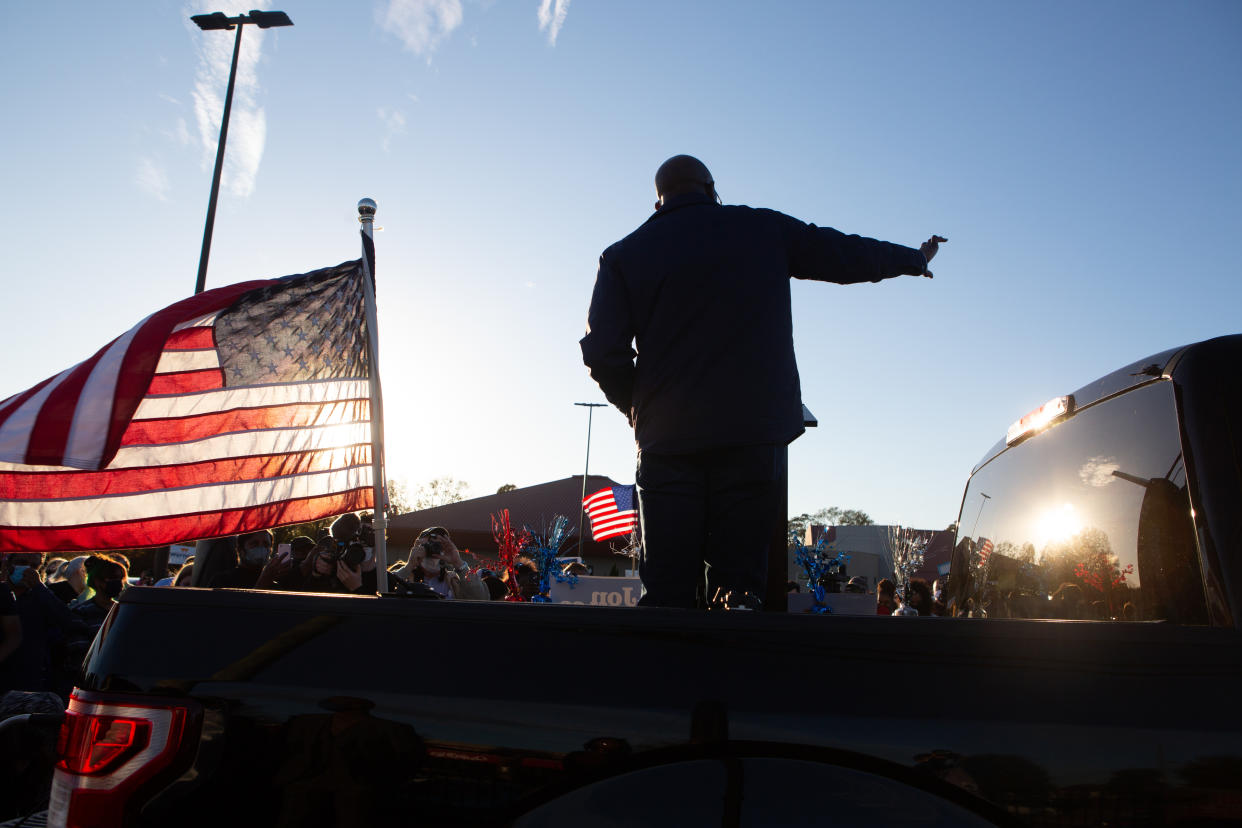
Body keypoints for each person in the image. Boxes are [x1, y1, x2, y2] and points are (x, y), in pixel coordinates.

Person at [581, 155, 945, 609]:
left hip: (667, 441)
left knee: (668, 591)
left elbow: (602, 353)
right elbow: (842, 252)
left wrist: (640, 407)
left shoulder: (624, 255)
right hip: (752, 435)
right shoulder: (763, 229)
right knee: (738, 590)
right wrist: (912, 259)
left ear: (658, 202)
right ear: (712, 189)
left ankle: (665, 676)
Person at [1, 554, 74, 692]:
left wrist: (39, 587)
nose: (27, 570)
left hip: (30, 680)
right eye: (22, 562)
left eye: (34, 566)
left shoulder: (42, 597)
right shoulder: (2, 594)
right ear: (8, 564)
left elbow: (68, 621)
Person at [208, 530, 275, 589]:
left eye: (266, 544)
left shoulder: (274, 584)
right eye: (254, 544)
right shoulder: (222, 581)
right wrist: (261, 586)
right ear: (241, 550)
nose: (261, 549)